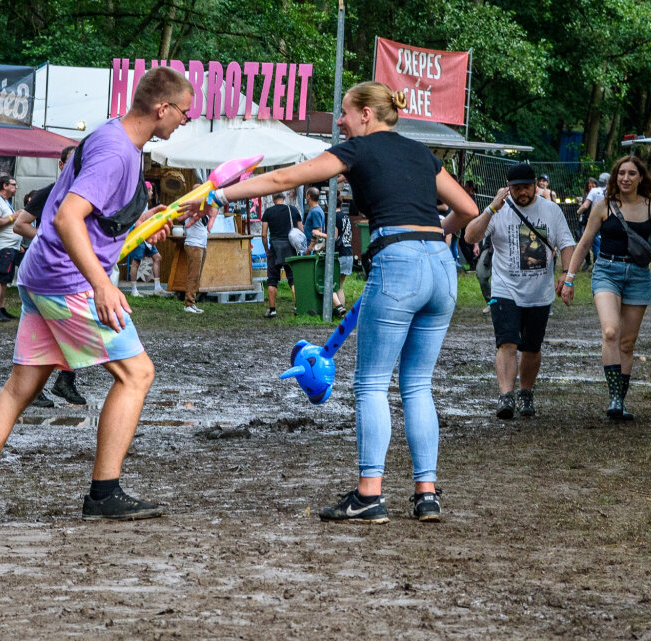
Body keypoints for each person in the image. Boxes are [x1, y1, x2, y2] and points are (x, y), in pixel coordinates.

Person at [204, 81, 479, 523]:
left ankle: (370, 494)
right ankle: (426, 495)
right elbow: (466, 208)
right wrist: (433, 232)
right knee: (417, 384)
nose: (340, 121)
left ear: (367, 114)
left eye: (346, 113)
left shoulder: (357, 150)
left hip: (398, 263)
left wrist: (218, 194)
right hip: (442, 268)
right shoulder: (422, 153)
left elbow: (284, 178)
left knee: (371, 384)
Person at [0, 65, 193, 527]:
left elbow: (91, 217)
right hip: (68, 281)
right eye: (184, 113)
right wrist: (102, 284)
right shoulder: (118, 153)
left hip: (42, 275)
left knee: (20, 388)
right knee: (137, 374)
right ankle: (104, 492)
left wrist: (140, 222)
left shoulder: (112, 137)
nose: (184, 121)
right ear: (162, 108)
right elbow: (67, 218)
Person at [560, 155, 651, 421]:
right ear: (615, 178)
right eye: (621, 173)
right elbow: (584, 244)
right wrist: (569, 278)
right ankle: (614, 397)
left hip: (637, 275)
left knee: (627, 342)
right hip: (607, 271)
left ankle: (620, 402)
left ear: (641, 178)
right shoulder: (603, 206)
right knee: (611, 331)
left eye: (631, 174)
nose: (625, 178)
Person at [463, 162, 576, 420]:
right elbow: (470, 236)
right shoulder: (498, 210)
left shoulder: (551, 211)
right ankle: (506, 396)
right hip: (505, 290)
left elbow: (567, 243)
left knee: (532, 347)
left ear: (536, 185)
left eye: (526, 188)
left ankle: (526, 392)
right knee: (507, 342)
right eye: (516, 189)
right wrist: (492, 208)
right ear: (507, 188)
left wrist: (566, 275)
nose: (522, 193)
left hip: (539, 292)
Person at [12, 144, 88, 407]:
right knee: (60, 330)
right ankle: (49, 385)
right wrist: (47, 240)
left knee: (54, 332)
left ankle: (61, 382)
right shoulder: (48, 193)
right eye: (72, 162)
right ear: (61, 165)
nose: (77, 167)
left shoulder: (83, 196)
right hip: (47, 275)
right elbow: (19, 224)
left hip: (70, 273)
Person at [0, 175, 24, 322]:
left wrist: (17, 243)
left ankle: (1, 308)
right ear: (5, 186)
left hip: (10, 246)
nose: (16, 187)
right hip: (1, 247)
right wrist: (13, 218)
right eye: (13, 185)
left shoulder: (5, 202)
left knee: (4, 279)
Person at [260, 191, 303, 318]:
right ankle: (298, 306)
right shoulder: (293, 210)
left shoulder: (268, 212)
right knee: (293, 278)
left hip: (275, 248)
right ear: (284, 198)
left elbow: (263, 234)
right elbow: (301, 231)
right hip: (290, 248)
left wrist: (266, 249)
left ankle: (272, 310)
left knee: (272, 279)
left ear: (273, 199)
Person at [577, 172, 610, 264]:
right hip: (608, 220)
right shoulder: (612, 191)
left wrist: (578, 212)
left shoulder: (594, 191)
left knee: (594, 244)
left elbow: (585, 206)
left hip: (594, 221)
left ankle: (598, 262)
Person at [182, 213, 209, 313]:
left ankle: (191, 303)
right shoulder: (193, 209)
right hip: (194, 245)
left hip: (201, 245)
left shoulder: (203, 210)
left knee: (197, 276)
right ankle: (189, 304)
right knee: (193, 275)